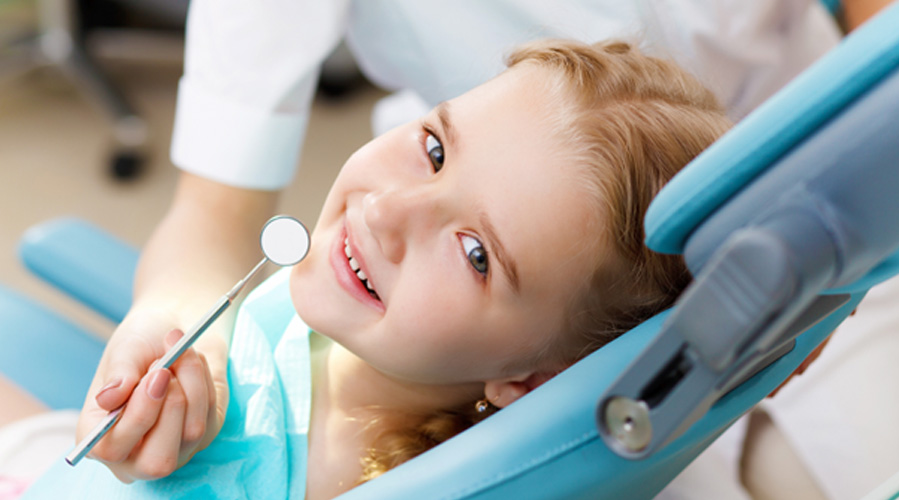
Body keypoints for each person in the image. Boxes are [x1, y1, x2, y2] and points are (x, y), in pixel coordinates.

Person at [9, 39, 732, 498]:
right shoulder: (359, 326)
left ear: (529, 381)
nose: (388, 212)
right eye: (434, 149)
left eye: (476, 254)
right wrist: (174, 324)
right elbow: (203, 230)